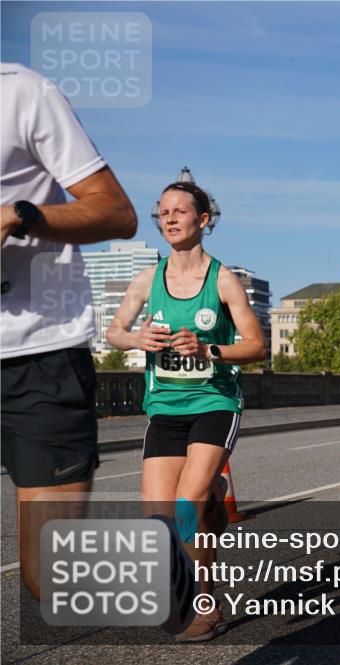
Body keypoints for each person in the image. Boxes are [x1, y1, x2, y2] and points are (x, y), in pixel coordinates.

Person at [1, 63, 138, 602]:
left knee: (51, 575)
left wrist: (17, 215)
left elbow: (117, 214)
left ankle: (171, 569)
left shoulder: (22, 93)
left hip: (38, 352)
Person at [107, 180, 266, 641]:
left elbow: (257, 346)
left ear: (204, 219)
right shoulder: (147, 280)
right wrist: (136, 339)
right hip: (165, 407)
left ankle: (204, 602)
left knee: (185, 506)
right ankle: (212, 501)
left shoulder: (222, 280)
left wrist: (208, 349)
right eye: (163, 212)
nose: (171, 218)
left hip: (215, 402)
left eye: (180, 210)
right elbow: (115, 332)